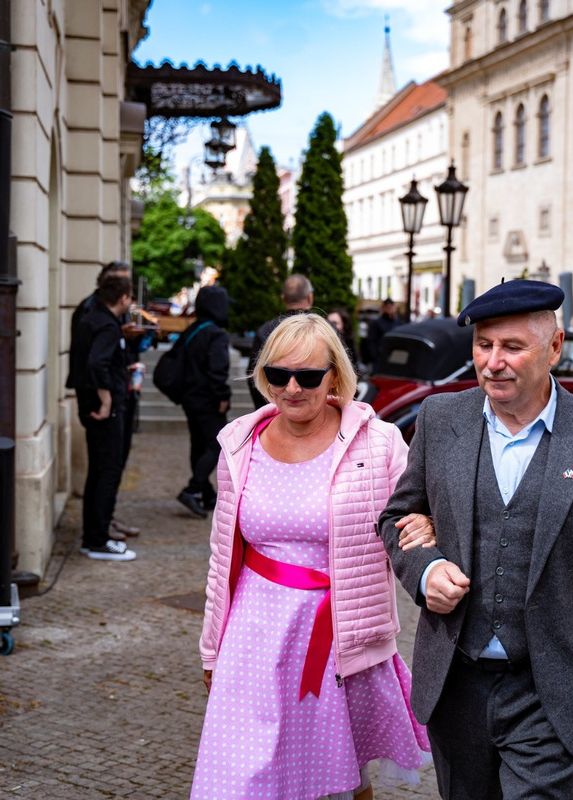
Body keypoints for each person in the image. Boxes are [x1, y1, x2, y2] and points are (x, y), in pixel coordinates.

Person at [378, 280, 573, 800]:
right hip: (458, 681)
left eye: (513, 347)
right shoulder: (441, 419)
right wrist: (425, 569)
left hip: (552, 686)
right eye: (484, 345)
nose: (493, 362)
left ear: (555, 348)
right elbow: (397, 517)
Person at [192, 314, 437, 800]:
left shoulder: (379, 442)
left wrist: (427, 525)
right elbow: (223, 559)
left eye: (307, 376)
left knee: (344, 777)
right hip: (253, 636)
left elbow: (411, 514)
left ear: (335, 376)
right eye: (278, 375)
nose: (292, 388)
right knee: (239, 776)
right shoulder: (238, 444)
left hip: (339, 632)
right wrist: (210, 646)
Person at [67, 260, 149, 541]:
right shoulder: (97, 315)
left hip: (117, 392)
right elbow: (94, 363)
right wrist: (105, 400)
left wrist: (123, 365)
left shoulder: (107, 318)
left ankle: (102, 524)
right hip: (106, 403)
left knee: (109, 466)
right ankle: (98, 534)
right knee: (107, 468)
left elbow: (102, 359)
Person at [175, 284, 232, 519]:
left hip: (191, 398)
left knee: (199, 445)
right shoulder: (216, 334)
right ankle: (193, 489)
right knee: (217, 445)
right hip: (208, 400)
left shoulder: (194, 330)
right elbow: (217, 369)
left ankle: (207, 494)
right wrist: (223, 396)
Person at [247, 274, 317, 409]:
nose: (293, 389)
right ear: (310, 297)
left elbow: (254, 375)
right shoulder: (327, 332)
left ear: (283, 298)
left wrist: (266, 409)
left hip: (274, 410)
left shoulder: (266, 331)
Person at [364, 298, 402, 369]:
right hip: (380, 358)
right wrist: (374, 356)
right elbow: (371, 341)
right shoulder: (376, 323)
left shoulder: (398, 323)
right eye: (387, 307)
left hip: (395, 358)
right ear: (383, 308)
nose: (389, 309)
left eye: (391, 307)